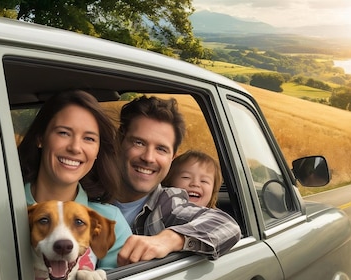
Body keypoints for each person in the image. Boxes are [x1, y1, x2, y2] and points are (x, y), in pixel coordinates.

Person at [113, 96, 240, 266]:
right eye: (139, 142)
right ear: (119, 142)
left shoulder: (168, 203)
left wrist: (169, 239)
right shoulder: (86, 191)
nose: (148, 158)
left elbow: (226, 226)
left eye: (161, 149)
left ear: (172, 158)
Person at [18, 90, 132, 270]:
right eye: (64, 133)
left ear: (97, 151)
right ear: (40, 138)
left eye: (89, 138)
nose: (75, 148)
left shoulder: (109, 220)